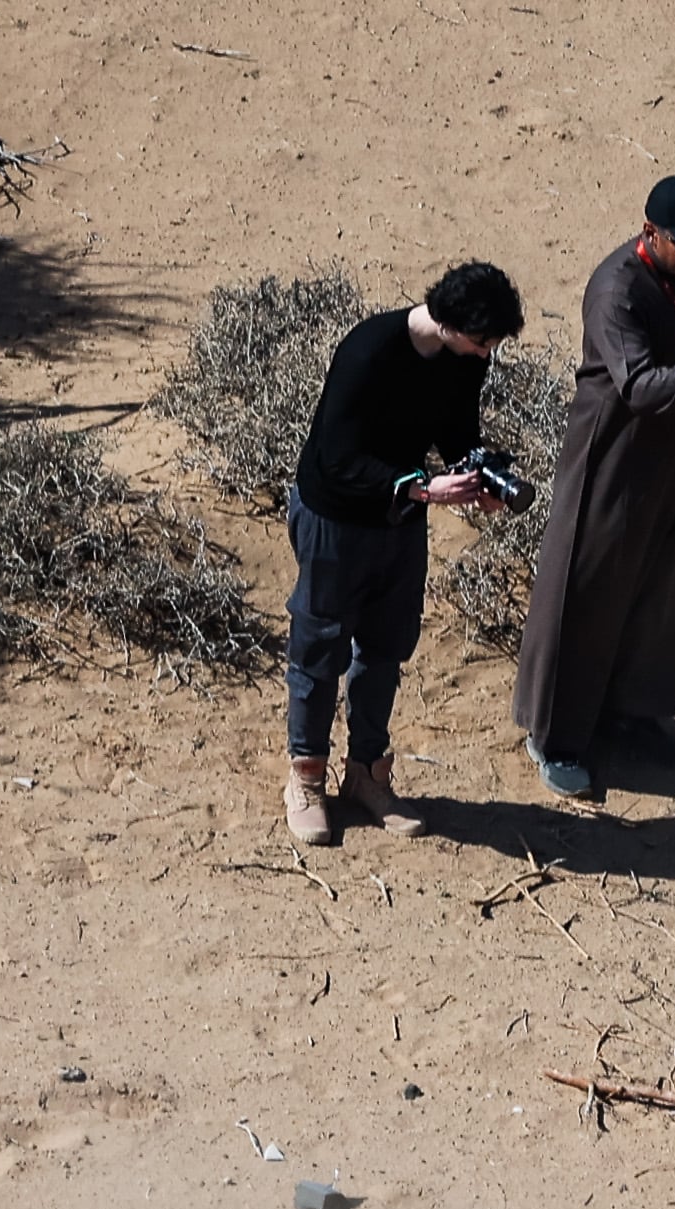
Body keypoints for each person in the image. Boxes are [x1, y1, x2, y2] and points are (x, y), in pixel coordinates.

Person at [512, 174, 675, 802]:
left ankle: (630, 713)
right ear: (650, 232)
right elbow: (640, 387)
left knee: (665, 584)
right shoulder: (616, 288)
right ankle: (556, 737)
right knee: (589, 591)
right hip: (616, 455)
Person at [281, 260, 523, 847]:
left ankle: (366, 775)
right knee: (320, 647)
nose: (487, 354)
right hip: (335, 517)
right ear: (450, 322)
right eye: (483, 340)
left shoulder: (464, 362)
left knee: (386, 648)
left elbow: (457, 429)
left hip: (398, 524)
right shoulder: (368, 352)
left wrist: (478, 477)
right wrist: (423, 487)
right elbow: (337, 457)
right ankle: (306, 777)